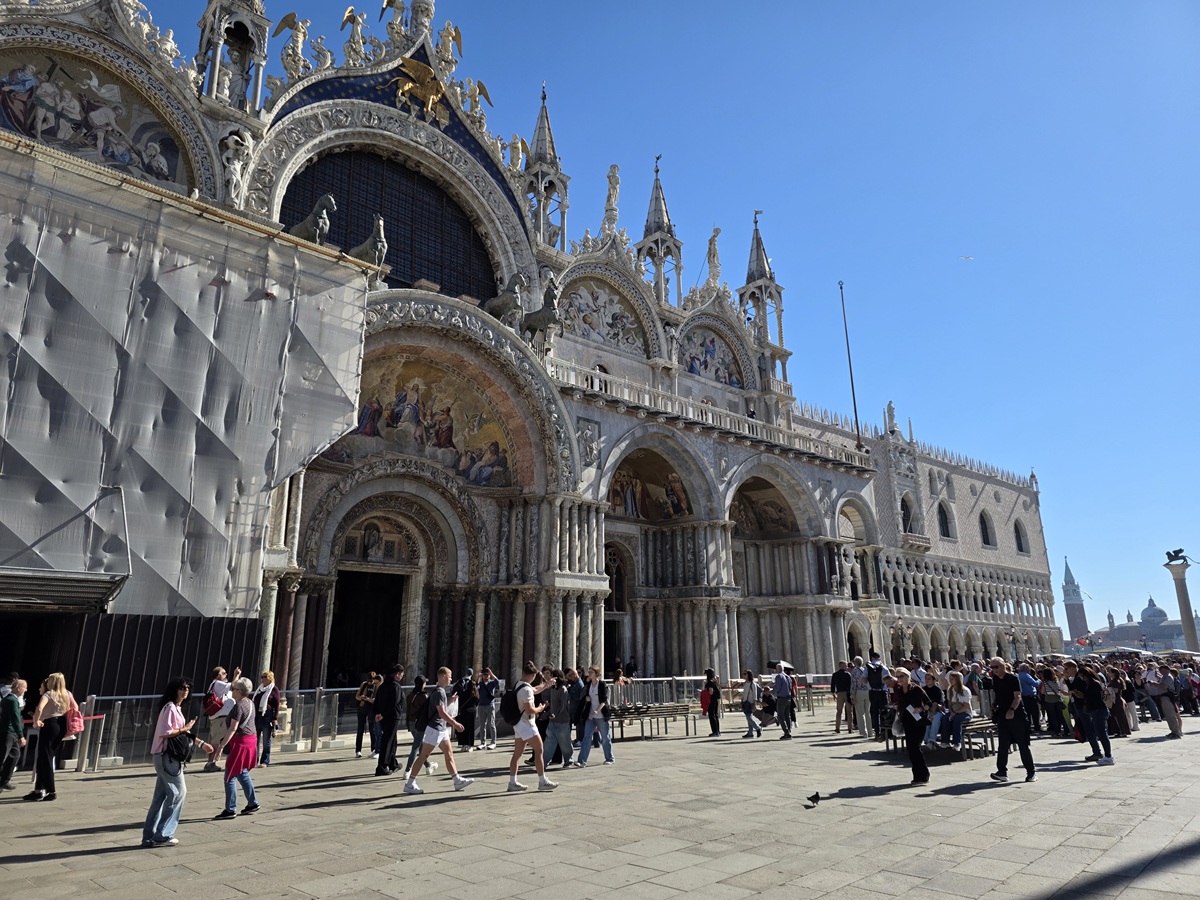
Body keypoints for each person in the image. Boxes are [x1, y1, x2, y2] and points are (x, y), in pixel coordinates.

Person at [142, 677, 213, 847]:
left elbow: (181, 734)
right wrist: (185, 728)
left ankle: (148, 836)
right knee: (178, 792)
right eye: (182, 688)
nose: (185, 690)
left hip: (164, 756)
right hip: (167, 757)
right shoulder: (170, 708)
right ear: (175, 690)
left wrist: (201, 743)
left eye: (188, 688)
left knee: (160, 797)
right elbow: (166, 732)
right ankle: (163, 834)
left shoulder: (176, 708)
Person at [404, 667, 473, 794]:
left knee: (449, 754)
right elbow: (441, 713)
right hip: (435, 729)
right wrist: (455, 723)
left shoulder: (439, 692)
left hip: (441, 729)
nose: (451, 678)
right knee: (423, 756)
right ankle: (410, 783)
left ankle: (457, 780)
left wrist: (450, 701)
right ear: (442, 677)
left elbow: (440, 710)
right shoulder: (439, 692)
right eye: (449, 675)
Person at [212, 677, 259, 818]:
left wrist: (221, 746)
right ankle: (252, 802)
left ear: (239, 691)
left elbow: (233, 728)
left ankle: (230, 809)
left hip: (241, 742)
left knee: (230, 775)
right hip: (251, 740)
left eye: (233, 689)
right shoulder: (250, 703)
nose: (231, 690)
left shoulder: (239, 706)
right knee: (241, 771)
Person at [508, 661, 558, 792]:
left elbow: (534, 690)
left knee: (517, 754)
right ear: (532, 675)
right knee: (539, 750)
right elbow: (530, 710)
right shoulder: (526, 690)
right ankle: (542, 781)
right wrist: (540, 708)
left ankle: (512, 782)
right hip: (527, 724)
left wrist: (547, 685)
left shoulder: (519, 685)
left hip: (518, 724)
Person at [28, 671, 74, 802]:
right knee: (46, 756)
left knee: (45, 757)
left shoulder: (49, 694)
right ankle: (38, 790)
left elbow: (39, 708)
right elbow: (75, 707)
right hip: (61, 724)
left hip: (50, 724)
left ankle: (51, 790)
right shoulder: (67, 694)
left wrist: (36, 720)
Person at [988, 658, 1036, 784]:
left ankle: (1031, 772)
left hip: (1017, 715)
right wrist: (993, 705)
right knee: (1003, 745)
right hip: (1002, 716)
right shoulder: (996, 679)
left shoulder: (1013, 678)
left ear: (1003, 665)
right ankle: (1002, 772)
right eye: (992, 667)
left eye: (996, 667)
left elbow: (1017, 696)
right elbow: (998, 696)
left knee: (1023, 745)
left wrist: (1011, 710)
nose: (994, 670)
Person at [893, 668, 931, 786]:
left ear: (907, 676)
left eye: (901, 676)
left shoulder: (916, 689)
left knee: (915, 747)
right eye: (898, 677)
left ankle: (923, 775)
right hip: (907, 721)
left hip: (918, 721)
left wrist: (920, 708)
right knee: (911, 748)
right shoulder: (899, 690)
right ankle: (917, 776)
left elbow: (929, 703)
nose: (899, 679)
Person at [1071, 665, 1114, 765]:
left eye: (1082, 676)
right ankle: (1107, 755)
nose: (1082, 678)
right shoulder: (1091, 683)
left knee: (1102, 734)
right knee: (1101, 733)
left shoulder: (1094, 684)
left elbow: (1095, 698)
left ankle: (1108, 756)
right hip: (1097, 710)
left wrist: (1083, 696)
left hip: (1098, 710)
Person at [574, 665, 614, 766]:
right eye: (589, 671)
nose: (589, 673)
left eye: (591, 672)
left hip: (600, 715)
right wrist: (587, 699)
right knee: (587, 737)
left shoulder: (601, 685)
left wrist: (596, 711)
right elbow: (586, 697)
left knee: (605, 737)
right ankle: (581, 761)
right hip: (590, 715)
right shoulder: (588, 685)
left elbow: (604, 701)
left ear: (596, 674)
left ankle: (609, 758)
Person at [203, 665, 239, 772]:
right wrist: (236, 675)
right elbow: (233, 685)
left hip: (222, 717)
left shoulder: (219, 685)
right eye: (224, 673)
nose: (226, 674)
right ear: (219, 675)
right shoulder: (217, 683)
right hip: (220, 718)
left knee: (223, 740)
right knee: (216, 741)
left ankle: (215, 762)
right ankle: (210, 763)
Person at [373, 664, 406, 775]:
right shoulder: (395, 686)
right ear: (397, 674)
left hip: (384, 717)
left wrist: (377, 713)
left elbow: (377, 700)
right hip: (391, 716)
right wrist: (383, 714)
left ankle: (393, 763)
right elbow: (394, 703)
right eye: (401, 674)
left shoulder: (383, 686)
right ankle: (381, 767)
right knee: (387, 740)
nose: (402, 676)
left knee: (392, 740)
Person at [542, 668, 574, 770]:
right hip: (553, 721)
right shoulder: (552, 689)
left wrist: (555, 714)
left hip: (562, 721)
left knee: (565, 742)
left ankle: (568, 760)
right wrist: (546, 714)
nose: (550, 677)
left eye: (552, 675)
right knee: (549, 742)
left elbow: (563, 706)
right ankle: (544, 762)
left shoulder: (563, 690)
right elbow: (552, 704)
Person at [1, 678, 26, 791]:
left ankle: (5, 780)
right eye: (24, 687)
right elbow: (15, 718)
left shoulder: (11, 699)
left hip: (11, 732)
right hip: (8, 732)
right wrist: (21, 735)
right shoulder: (11, 700)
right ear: (18, 688)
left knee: (15, 755)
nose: (25, 690)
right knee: (3, 756)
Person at [938, 670, 973, 750]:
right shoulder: (950, 690)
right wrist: (952, 712)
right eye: (950, 679)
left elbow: (966, 706)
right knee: (945, 718)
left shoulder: (965, 691)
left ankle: (956, 743)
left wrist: (957, 713)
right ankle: (945, 741)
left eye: (952, 679)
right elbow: (950, 704)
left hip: (965, 713)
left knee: (957, 720)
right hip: (953, 711)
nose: (950, 681)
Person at [251, 671, 280, 766]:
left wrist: (275, 718)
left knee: (266, 740)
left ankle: (265, 761)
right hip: (257, 715)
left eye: (265, 677)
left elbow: (277, 705)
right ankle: (254, 760)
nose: (262, 679)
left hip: (267, 716)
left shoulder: (274, 689)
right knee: (255, 739)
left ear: (270, 679)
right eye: (262, 677)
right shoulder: (260, 689)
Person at [355, 671, 380, 759]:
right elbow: (357, 696)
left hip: (371, 709)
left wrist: (369, 699)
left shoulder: (376, 686)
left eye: (371, 681)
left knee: (372, 729)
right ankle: (358, 750)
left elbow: (376, 699)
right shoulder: (364, 685)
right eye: (368, 680)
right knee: (360, 730)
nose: (369, 682)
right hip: (362, 708)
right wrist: (361, 697)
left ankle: (373, 749)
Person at [474, 667, 499, 750]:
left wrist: (491, 673)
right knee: (482, 725)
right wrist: (478, 675)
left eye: (487, 674)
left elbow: (497, 681)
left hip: (490, 705)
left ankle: (493, 742)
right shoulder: (481, 683)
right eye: (484, 675)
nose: (486, 676)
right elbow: (475, 685)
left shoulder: (492, 683)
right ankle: (482, 742)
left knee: (491, 724)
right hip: (481, 705)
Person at [866, 652, 890, 741]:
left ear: (872, 658)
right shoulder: (884, 668)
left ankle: (877, 733)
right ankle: (884, 732)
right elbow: (889, 680)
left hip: (872, 692)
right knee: (884, 712)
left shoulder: (867, 668)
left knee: (874, 713)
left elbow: (863, 680)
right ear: (879, 658)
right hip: (883, 692)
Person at [455, 669, 478, 751]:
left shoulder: (460, 683)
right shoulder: (474, 688)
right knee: (470, 728)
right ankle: (469, 745)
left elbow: (455, 693)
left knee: (462, 727)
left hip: (462, 710)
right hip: (472, 710)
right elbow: (477, 699)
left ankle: (463, 744)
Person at [772, 662, 795, 740]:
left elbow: (778, 687)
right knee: (787, 715)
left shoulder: (779, 677)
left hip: (781, 698)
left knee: (780, 716)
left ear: (777, 669)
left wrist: (773, 693)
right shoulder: (788, 677)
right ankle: (789, 730)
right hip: (788, 698)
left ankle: (786, 732)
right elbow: (790, 686)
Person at [849, 656, 870, 738]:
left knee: (860, 713)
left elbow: (854, 683)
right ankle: (870, 731)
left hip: (859, 692)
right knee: (868, 712)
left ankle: (863, 732)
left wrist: (852, 695)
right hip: (867, 691)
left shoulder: (854, 671)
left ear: (855, 663)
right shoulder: (865, 669)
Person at [830, 661, 853, 733]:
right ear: (842, 666)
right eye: (846, 666)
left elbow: (832, 684)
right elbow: (851, 685)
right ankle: (850, 728)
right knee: (849, 711)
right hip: (847, 693)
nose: (847, 667)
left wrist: (833, 693)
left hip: (839, 693)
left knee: (839, 711)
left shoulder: (835, 674)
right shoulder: (848, 674)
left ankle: (837, 728)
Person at [740, 669, 762, 738]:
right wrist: (742, 699)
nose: (743, 675)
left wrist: (755, 704)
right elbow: (744, 692)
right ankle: (750, 732)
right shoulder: (745, 683)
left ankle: (758, 728)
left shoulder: (753, 684)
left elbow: (755, 694)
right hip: (745, 702)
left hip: (750, 702)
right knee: (748, 717)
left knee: (749, 717)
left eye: (745, 674)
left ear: (748, 675)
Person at [703, 668, 722, 737]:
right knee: (715, 715)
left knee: (712, 715)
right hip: (715, 700)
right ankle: (718, 731)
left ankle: (715, 731)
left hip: (711, 700)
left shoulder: (709, 682)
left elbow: (710, 692)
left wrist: (704, 692)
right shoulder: (714, 681)